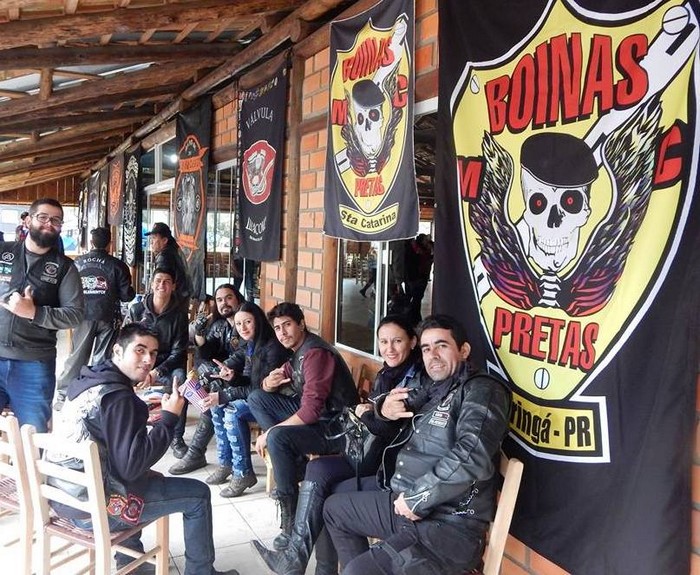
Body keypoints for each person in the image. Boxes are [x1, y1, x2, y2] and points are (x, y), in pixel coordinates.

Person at [322, 314, 511, 575]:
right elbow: (399, 403)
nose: (433, 355)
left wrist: (417, 498)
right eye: (426, 348)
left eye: (442, 345)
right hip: (409, 503)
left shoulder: (482, 390)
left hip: (448, 526)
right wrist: (382, 407)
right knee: (334, 509)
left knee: (357, 571)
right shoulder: (438, 387)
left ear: (464, 350)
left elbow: (471, 455)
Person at [49, 324, 239, 575]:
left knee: (145, 479)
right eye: (139, 350)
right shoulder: (118, 398)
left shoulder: (89, 379)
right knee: (198, 494)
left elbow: (113, 447)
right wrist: (169, 419)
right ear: (118, 351)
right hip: (97, 510)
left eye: (153, 353)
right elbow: (131, 467)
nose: (148, 359)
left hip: (64, 499)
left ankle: (131, 564)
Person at [251, 314, 423, 575]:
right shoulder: (388, 374)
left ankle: (318, 567)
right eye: (383, 342)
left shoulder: (416, 379)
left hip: (386, 465)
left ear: (412, 341)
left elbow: (385, 424)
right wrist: (373, 411)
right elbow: (376, 416)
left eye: (397, 341)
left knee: (324, 493)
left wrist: (372, 412)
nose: (389, 348)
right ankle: (296, 558)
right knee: (316, 470)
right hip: (365, 451)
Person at [247, 302, 359, 549]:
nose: (282, 332)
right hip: (320, 418)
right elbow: (280, 379)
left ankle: (291, 523)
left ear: (301, 324)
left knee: (277, 439)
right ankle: (295, 461)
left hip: (337, 427)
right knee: (256, 398)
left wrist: (271, 432)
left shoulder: (315, 353)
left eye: (287, 325)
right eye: (277, 328)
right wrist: (268, 383)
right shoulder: (298, 351)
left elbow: (310, 412)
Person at [0, 198, 84, 432]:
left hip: (34, 365)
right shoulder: (3, 252)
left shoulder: (65, 267)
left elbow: (75, 315)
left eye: (56, 220)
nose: (49, 223)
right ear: (28, 221)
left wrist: (34, 313)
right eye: (43, 217)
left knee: (33, 435)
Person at [201, 301, 290, 496]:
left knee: (233, 410)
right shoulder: (251, 344)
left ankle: (243, 472)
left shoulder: (272, 347)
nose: (243, 328)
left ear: (257, 321)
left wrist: (224, 395)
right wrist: (232, 377)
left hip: (274, 402)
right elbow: (250, 381)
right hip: (258, 397)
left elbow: (259, 388)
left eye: (248, 322)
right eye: (239, 324)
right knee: (217, 407)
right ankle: (226, 463)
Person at [168, 284, 245, 475]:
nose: (224, 303)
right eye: (219, 300)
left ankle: (196, 452)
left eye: (228, 298)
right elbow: (206, 353)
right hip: (225, 377)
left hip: (245, 380)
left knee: (212, 394)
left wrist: (214, 373)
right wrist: (200, 333)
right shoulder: (220, 325)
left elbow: (243, 357)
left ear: (238, 298)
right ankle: (181, 442)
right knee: (195, 385)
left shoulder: (246, 322)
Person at [55, 227, 135, 405]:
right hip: (108, 316)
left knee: (77, 356)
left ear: (91, 242)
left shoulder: (77, 263)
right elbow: (126, 296)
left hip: (82, 315)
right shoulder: (117, 265)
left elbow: (67, 290)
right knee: (102, 358)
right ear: (110, 243)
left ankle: (63, 394)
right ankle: (98, 395)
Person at [126, 267, 189, 457]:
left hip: (168, 364)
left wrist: (157, 372)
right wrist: (143, 367)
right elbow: (129, 343)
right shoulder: (137, 310)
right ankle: (131, 431)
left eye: (167, 281)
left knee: (180, 381)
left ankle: (176, 437)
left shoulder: (179, 315)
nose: (162, 285)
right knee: (121, 379)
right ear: (151, 284)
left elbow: (179, 351)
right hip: (141, 361)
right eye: (158, 280)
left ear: (173, 286)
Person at [145, 222, 192, 304]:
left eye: (154, 238)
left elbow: (161, 285)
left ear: (164, 240)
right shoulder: (174, 250)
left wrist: (149, 302)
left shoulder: (165, 257)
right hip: (181, 299)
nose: (151, 242)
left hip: (171, 303)